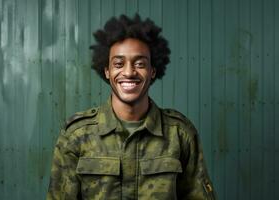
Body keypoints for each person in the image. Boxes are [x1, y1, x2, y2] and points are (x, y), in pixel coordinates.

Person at [47, 14, 216, 200]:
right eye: (118, 64)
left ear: (152, 71)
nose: (128, 72)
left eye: (140, 63)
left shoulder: (180, 134)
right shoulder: (76, 136)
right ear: (107, 71)